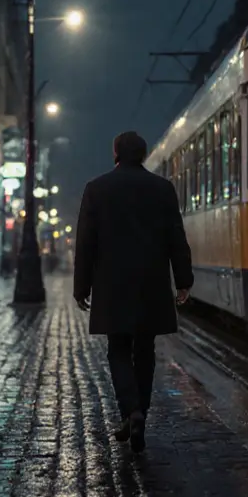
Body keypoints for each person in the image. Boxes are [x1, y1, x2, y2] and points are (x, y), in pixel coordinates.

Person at [74, 130, 193, 453]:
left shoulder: (96, 189)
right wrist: (183, 280)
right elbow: (176, 239)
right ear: (143, 154)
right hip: (151, 282)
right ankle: (139, 412)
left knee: (118, 348)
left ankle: (132, 411)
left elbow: (86, 243)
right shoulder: (162, 189)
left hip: (112, 284)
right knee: (145, 350)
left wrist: (81, 286)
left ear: (115, 153)